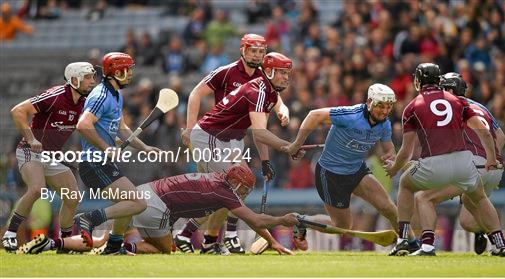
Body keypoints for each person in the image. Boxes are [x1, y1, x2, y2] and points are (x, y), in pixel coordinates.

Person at [175, 51, 300, 254]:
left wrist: (266, 161)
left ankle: (204, 239)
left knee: (241, 185)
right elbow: (260, 134)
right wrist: (287, 147)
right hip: (208, 137)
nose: (286, 77)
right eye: (282, 73)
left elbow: (259, 129)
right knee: (232, 188)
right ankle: (191, 235)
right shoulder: (259, 92)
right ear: (268, 71)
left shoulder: (269, 93)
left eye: (288, 73)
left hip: (224, 141)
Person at [18, 165, 298, 255]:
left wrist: (273, 239)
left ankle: (58, 243)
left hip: (143, 192)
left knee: (110, 239)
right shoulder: (223, 193)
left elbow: (239, 215)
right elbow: (254, 219)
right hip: (156, 208)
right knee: (166, 250)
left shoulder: (214, 180)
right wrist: (284, 219)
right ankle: (123, 249)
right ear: (237, 182)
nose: (245, 193)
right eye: (245, 188)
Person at [384, 63, 505, 256]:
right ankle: (501, 245)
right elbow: (486, 133)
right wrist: (492, 157)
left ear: (418, 81)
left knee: (411, 188)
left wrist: (395, 168)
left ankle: (412, 242)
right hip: (465, 162)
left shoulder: (412, 107)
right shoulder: (460, 102)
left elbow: (406, 151)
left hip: (435, 163)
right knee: (479, 198)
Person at [282, 84, 414, 251]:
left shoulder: (385, 123)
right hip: (331, 175)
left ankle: (410, 244)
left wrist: (390, 156)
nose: (384, 111)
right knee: (342, 226)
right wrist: (296, 144)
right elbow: (314, 116)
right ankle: (301, 221)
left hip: (357, 171)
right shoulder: (350, 115)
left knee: (388, 207)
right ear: (369, 102)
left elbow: (388, 147)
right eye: (380, 105)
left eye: (388, 107)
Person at [2, 62, 96, 253]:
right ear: (74, 79)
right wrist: (31, 138)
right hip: (30, 151)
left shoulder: (84, 104)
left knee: (73, 197)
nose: (92, 82)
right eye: (88, 77)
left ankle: (65, 243)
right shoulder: (56, 96)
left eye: (93, 77)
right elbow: (17, 111)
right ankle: (10, 234)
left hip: (52, 157)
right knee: (37, 189)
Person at [74, 52, 160, 255]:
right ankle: (90, 218)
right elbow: (83, 124)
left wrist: (144, 148)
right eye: (127, 70)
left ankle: (113, 246)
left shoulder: (116, 95)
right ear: (116, 72)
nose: (131, 74)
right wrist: (106, 147)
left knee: (128, 205)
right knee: (137, 203)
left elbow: (121, 128)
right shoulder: (101, 95)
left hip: (104, 163)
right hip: (95, 163)